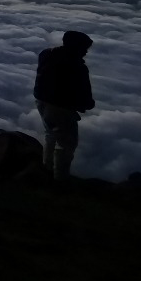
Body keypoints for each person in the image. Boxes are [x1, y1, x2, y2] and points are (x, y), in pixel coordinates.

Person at [33, 30, 95, 180]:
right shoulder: (77, 67)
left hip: (42, 102)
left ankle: (46, 169)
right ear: (76, 47)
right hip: (61, 109)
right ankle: (60, 178)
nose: (85, 52)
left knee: (51, 135)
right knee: (66, 144)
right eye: (84, 48)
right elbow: (85, 94)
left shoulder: (46, 54)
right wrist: (87, 104)